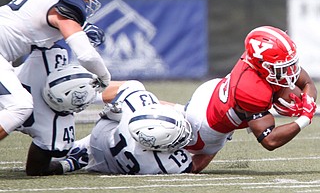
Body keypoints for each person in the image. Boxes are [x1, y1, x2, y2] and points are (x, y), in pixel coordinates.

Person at [0, 0, 111, 141]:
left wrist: (80, 28)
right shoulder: (64, 1)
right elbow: (86, 56)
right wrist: (104, 76)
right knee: (20, 105)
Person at [181, 25, 318, 173]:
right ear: (264, 65)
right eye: (282, 66)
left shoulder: (259, 57)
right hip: (207, 125)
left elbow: (307, 83)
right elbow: (270, 140)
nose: (290, 70)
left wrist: (308, 101)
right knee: (190, 168)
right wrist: (305, 118)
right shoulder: (251, 89)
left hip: (212, 90)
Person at [15, 24, 105, 176]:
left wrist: (78, 33)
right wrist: (68, 165)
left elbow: (36, 31)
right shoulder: (57, 131)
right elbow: (35, 169)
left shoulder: (51, 56)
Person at [72, 80, 194, 175]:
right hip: (104, 164)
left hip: (103, 133)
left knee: (133, 86)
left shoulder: (137, 102)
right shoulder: (161, 163)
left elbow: (129, 90)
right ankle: (71, 153)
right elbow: (194, 166)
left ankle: (77, 95)